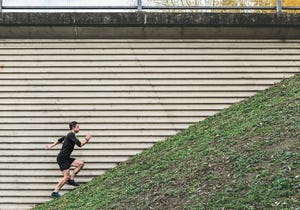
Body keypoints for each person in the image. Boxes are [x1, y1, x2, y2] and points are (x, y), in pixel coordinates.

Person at [45, 121, 92, 198]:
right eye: (77, 127)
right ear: (73, 127)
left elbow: (60, 140)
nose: (79, 128)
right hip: (62, 158)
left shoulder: (68, 135)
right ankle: (55, 192)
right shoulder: (71, 135)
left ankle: (71, 179)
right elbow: (80, 144)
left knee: (80, 164)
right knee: (66, 176)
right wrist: (87, 139)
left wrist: (51, 145)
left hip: (66, 158)